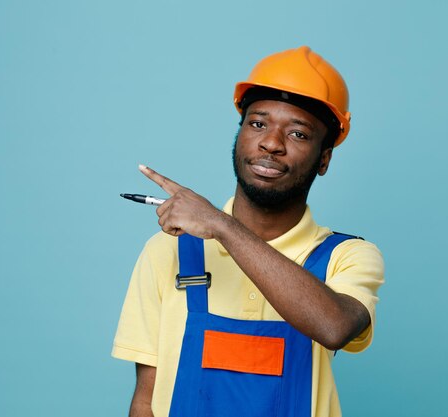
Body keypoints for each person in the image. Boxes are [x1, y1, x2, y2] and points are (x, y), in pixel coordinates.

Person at [112, 46, 385, 417]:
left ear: (324, 159)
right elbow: (146, 399)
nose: (271, 143)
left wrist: (221, 226)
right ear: (239, 134)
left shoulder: (346, 257)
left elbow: (334, 327)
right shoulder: (170, 251)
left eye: (298, 134)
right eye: (258, 124)